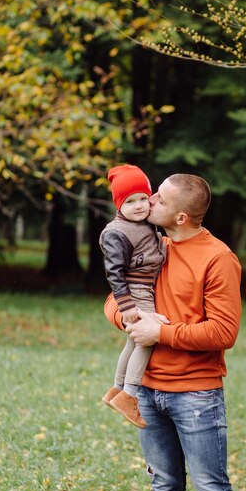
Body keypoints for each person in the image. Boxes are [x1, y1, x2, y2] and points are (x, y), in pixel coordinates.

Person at [104, 173, 242, 491]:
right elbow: (113, 300)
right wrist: (131, 318)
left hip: (195, 395)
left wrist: (160, 332)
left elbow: (224, 331)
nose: (149, 200)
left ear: (180, 217)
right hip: (146, 393)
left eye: (160, 199)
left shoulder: (217, 258)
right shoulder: (150, 245)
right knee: (164, 490)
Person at [100, 164, 166, 428]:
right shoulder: (117, 231)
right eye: (130, 201)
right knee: (147, 341)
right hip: (134, 291)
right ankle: (129, 394)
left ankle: (116, 390)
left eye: (143, 199)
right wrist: (126, 305)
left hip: (143, 288)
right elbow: (114, 271)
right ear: (119, 205)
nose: (139, 206)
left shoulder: (144, 222)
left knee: (133, 341)